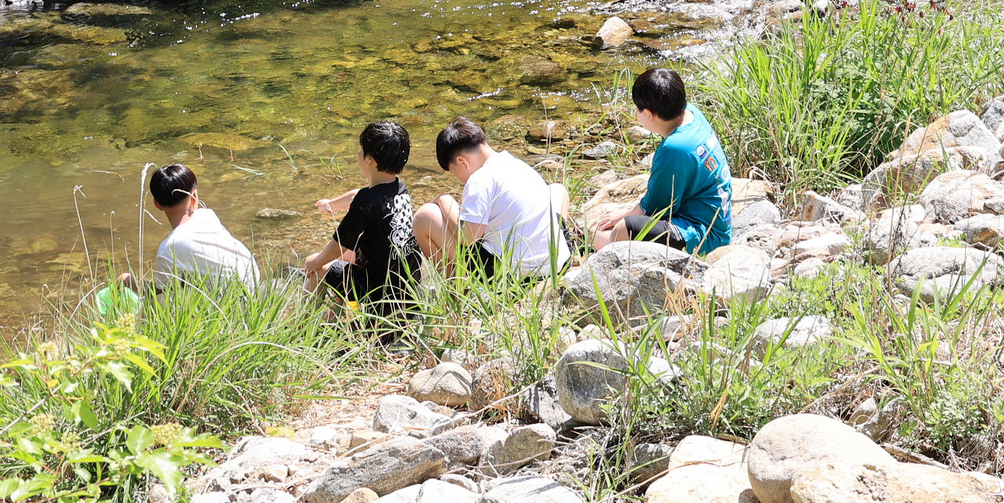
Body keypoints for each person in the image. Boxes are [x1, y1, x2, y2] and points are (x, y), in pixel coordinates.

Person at [593, 67, 732, 254]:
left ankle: (596, 245)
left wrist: (622, 215)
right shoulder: (692, 114)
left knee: (621, 229)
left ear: (649, 114)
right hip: (714, 222)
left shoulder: (675, 148)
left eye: (637, 109)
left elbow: (654, 209)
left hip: (702, 236)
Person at [415, 117, 570, 277]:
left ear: (462, 161)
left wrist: (444, 201)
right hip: (559, 261)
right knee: (556, 190)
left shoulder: (479, 180)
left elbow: (468, 238)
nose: (458, 178)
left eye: (453, 172)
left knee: (425, 215)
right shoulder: (514, 163)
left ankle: (456, 292)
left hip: (518, 275)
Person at [304, 120, 422, 318]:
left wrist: (314, 263)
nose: (359, 155)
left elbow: (337, 247)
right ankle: (334, 318)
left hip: (379, 292)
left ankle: (304, 327)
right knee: (349, 259)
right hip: (405, 288)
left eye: (362, 150)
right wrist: (331, 205)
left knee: (317, 266)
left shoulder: (365, 202)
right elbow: (359, 196)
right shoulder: (399, 188)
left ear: (370, 160)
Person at [125, 163, 260, 293]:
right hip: (252, 280)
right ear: (194, 195)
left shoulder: (168, 248)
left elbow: (159, 293)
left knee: (168, 294)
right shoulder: (208, 215)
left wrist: (127, 281)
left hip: (233, 300)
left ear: (157, 204)